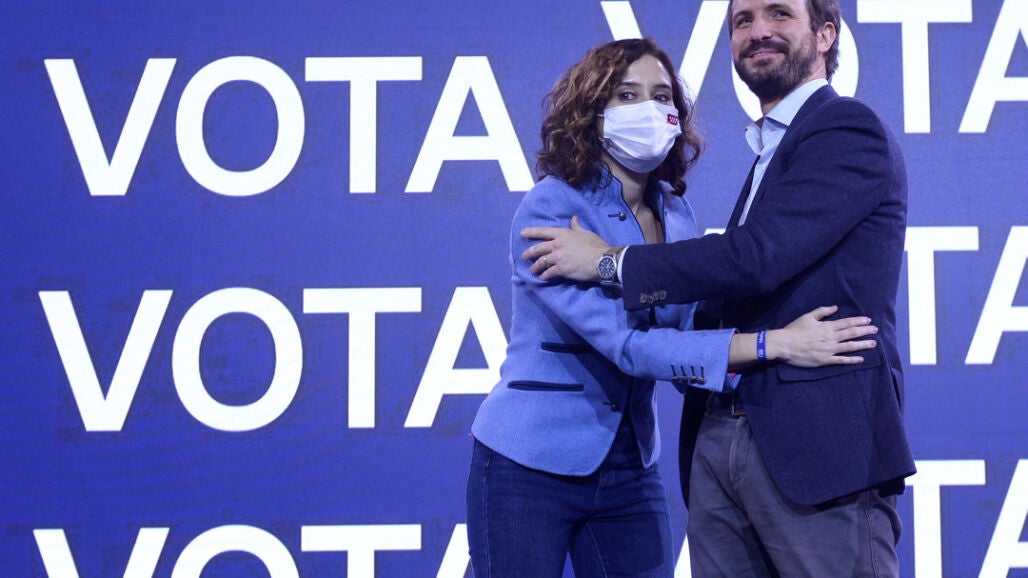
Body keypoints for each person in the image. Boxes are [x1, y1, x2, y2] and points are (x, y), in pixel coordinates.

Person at [520, 1, 915, 576]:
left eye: (779, 14)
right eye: (743, 21)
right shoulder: (771, 150)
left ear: (826, 34)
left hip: (817, 447)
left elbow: (755, 259)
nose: (758, 32)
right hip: (721, 435)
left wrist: (609, 263)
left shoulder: (845, 129)